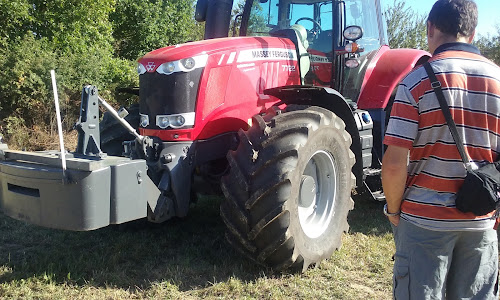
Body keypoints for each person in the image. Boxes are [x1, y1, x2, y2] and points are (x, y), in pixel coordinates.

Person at [381, 0, 500, 298]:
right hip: (481, 219)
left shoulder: (415, 82)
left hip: (423, 223)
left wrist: (394, 211)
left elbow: (395, 164)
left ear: (430, 28)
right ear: (472, 34)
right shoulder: (498, 81)